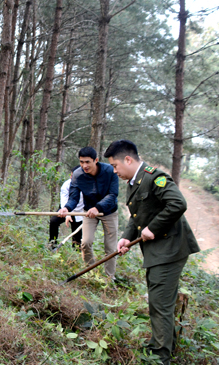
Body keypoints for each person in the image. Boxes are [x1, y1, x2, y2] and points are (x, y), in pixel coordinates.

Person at [106, 140, 199, 365]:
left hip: (170, 249)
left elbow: (177, 203)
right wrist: (127, 237)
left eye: (116, 165)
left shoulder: (154, 177)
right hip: (158, 251)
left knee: (160, 304)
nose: (115, 171)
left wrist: (154, 228)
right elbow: (137, 215)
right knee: (160, 302)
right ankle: (162, 345)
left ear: (128, 159)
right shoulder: (134, 181)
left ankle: (160, 357)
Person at [58, 146, 119, 279]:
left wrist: (98, 207)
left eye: (87, 162)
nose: (84, 165)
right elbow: (73, 197)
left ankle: (110, 278)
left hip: (108, 212)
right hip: (89, 212)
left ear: (96, 160)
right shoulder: (78, 175)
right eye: (81, 162)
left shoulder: (109, 171)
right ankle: (91, 273)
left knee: (110, 247)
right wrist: (66, 209)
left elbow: (113, 194)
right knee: (85, 242)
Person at [48, 166, 84, 249]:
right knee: (54, 221)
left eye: (74, 176)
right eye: (71, 176)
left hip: (79, 212)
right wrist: (67, 213)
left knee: (77, 236)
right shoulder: (66, 185)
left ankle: (76, 252)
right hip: (65, 209)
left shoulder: (86, 185)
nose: (71, 178)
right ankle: (52, 244)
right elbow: (64, 200)